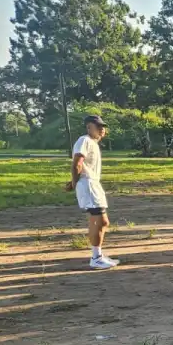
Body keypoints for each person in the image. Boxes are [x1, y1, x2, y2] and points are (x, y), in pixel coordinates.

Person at [65, 114, 118, 269]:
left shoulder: (92, 143)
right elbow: (77, 162)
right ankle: (96, 258)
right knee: (99, 220)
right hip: (88, 184)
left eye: (103, 127)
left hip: (92, 183)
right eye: (98, 126)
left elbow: (82, 166)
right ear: (89, 127)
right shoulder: (84, 140)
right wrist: (75, 182)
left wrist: (73, 182)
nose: (102, 129)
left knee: (101, 221)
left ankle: (98, 255)